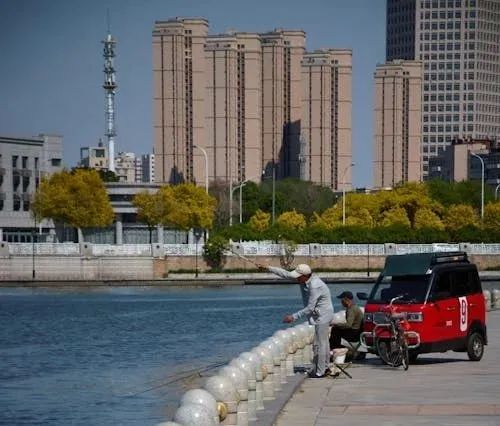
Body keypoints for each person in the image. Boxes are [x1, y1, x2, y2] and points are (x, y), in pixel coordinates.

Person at [257, 262, 334, 378]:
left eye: (298, 276)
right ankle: (325, 367)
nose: (296, 278)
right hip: (319, 315)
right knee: (323, 342)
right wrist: (268, 268)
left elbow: (310, 307)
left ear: (304, 276)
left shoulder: (315, 285)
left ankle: (321, 371)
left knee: (321, 343)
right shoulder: (304, 279)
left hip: (323, 315)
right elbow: (286, 274)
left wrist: (294, 316)